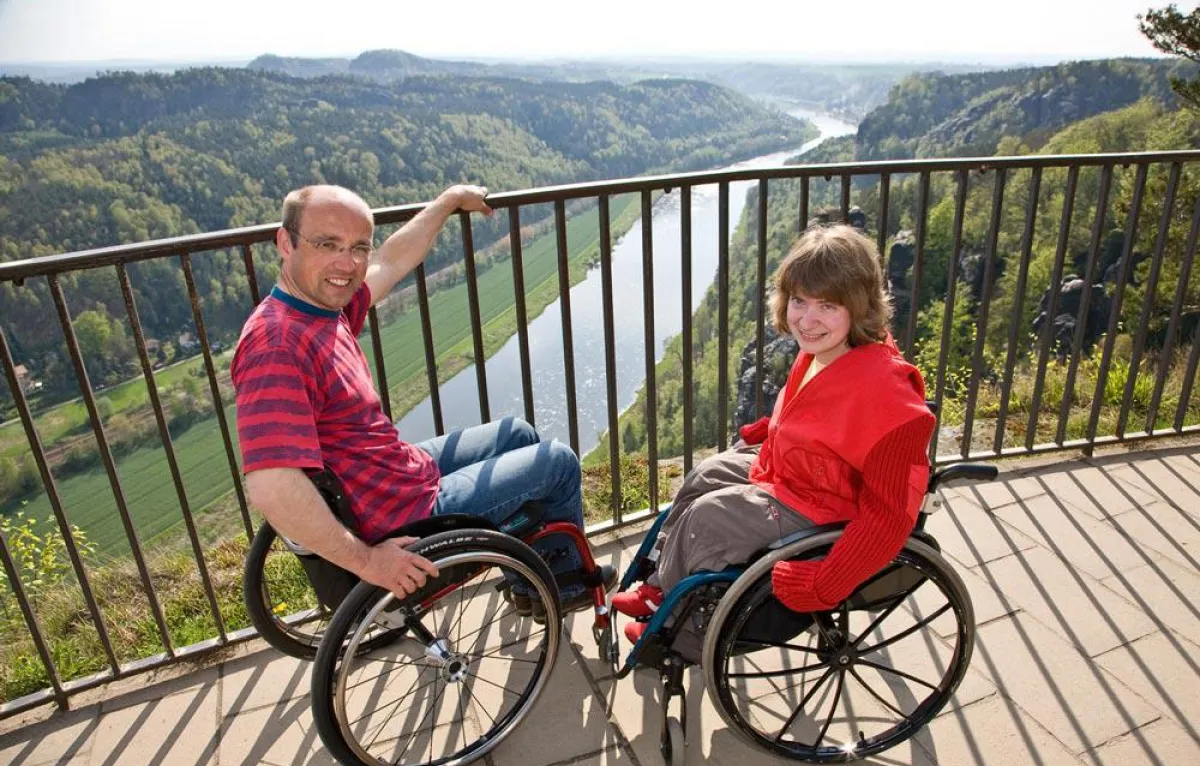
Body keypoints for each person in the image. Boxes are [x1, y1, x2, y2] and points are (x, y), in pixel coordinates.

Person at [232, 183, 608, 609]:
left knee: (517, 433)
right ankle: (564, 588)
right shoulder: (278, 345)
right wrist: (370, 562)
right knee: (558, 463)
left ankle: (527, 578)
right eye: (327, 244)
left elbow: (392, 260)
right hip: (405, 516)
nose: (347, 263)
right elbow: (271, 485)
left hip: (396, 477)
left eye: (358, 247)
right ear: (286, 243)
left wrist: (448, 201)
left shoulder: (319, 308)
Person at [611, 224, 935, 644]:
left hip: (824, 506)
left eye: (828, 306)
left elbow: (890, 518)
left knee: (708, 519)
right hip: (796, 474)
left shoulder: (891, 399)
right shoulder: (827, 351)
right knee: (705, 475)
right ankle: (662, 584)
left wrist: (824, 583)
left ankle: (677, 626)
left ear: (859, 306)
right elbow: (824, 416)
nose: (808, 319)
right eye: (799, 301)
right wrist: (772, 428)